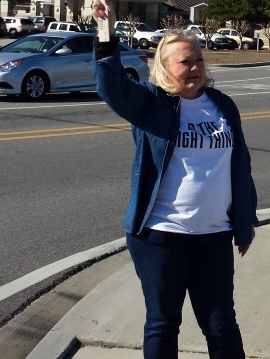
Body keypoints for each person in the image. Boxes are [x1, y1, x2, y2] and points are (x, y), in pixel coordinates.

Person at [94, 22, 258, 359]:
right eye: (186, 62)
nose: (196, 67)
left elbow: (240, 165)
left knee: (221, 324)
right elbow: (112, 87)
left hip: (214, 237)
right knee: (163, 323)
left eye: (199, 60)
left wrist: (244, 222)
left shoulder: (222, 105)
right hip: (162, 236)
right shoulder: (152, 104)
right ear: (165, 67)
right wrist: (104, 32)